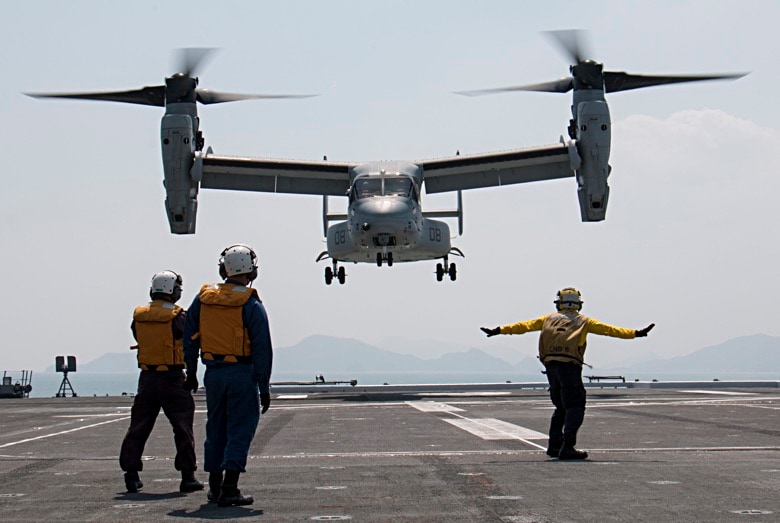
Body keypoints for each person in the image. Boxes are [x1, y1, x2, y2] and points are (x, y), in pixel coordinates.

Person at [481, 287, 654, 460]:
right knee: (575, 406)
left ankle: (554, 446)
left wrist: (498, 330)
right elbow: (610, 330)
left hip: (551, 367)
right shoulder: (584, 321)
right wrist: (636, 333)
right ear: (578, 304)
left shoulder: (547, 319)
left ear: (559, 303)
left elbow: (523, 327)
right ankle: (568, 446)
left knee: (561, 408)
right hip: (569, 368)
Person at [183, 244, 273, 507]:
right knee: (240, 429)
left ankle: (214, 486)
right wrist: (264, 386)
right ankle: (230, 487)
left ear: (224, 268)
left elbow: (189, 338)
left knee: (216, 428)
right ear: (251, 270)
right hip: (241, 374)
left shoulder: (203, 299)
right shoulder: (251, 303)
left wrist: (191, 372)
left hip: (213, 373)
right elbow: (262, 348)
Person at [120, 271, 204, 493]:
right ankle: (187, 476)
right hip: (173, 377)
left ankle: (131, 475)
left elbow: (138, 336)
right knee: (182, 427)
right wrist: (193, 374)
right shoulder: (178, 316)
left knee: (138, 427)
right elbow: (189, 342)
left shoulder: (139, 316)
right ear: (173, 291)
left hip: (147, 378)